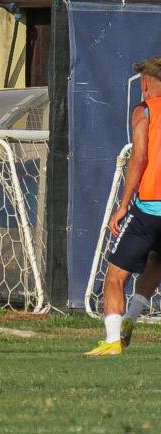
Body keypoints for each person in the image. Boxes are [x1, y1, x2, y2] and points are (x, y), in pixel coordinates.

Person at [86, 56, 161, 356]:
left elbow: (140, 157)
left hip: (149, 209)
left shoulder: (144, 110)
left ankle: (113, 340)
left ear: (145, 84)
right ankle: (132, 317)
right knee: (157, 262)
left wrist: (123, 204)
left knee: (115, 276)